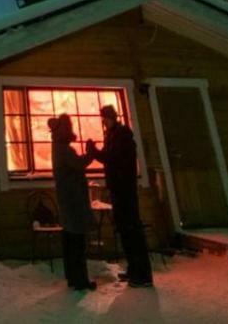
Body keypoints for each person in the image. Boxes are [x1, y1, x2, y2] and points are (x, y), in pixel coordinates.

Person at [87, 104, 153, 287]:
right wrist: (95, 151)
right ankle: (134, 270)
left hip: (125, 189)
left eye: (105, 118)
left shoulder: (121, 135)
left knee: (131, 229)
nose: (103, 122)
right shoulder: (113, 135)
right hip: (118, 188)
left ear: (110, 118)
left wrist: (94, 152)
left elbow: (111, 158)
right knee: (125, 229)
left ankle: (142, 274)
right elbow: (109, 157)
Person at [48, 114, 96, 291]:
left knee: (70, 239)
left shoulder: (58, 147)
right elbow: (79, 164)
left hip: (67, 199)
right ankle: (80, 280)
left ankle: (72, 278)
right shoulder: (64, 150)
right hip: (73, 200)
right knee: (77, 241)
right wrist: (91, 153)